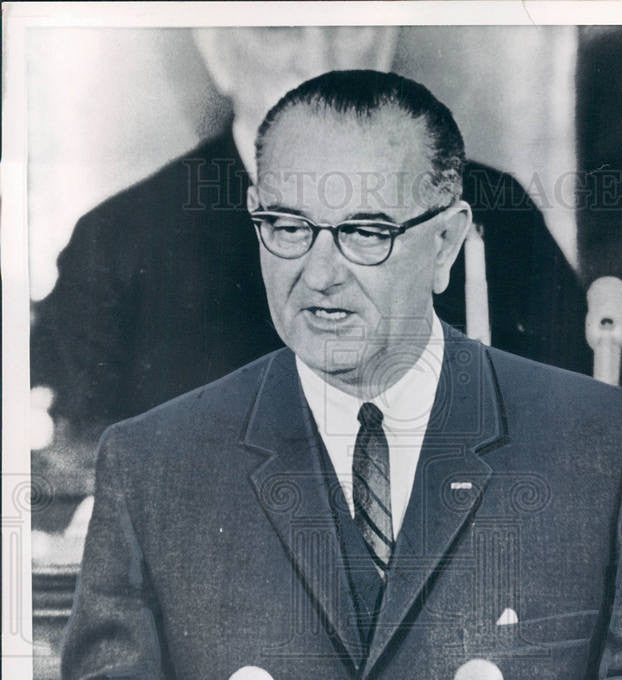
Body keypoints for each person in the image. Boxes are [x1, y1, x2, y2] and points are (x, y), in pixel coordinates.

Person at [52, 70, 622, 680]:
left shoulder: (611, 444)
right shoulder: (150, 461)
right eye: (287, 227)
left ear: (446, 244)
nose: (318, 274)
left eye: (365, 233)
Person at [30, 26, 588, 443]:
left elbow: (579, 432)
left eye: (351, 23)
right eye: (280, 29)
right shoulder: (118, 241)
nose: (323, 58)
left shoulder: (495, 214)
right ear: (214, 48)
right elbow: (71, 466)